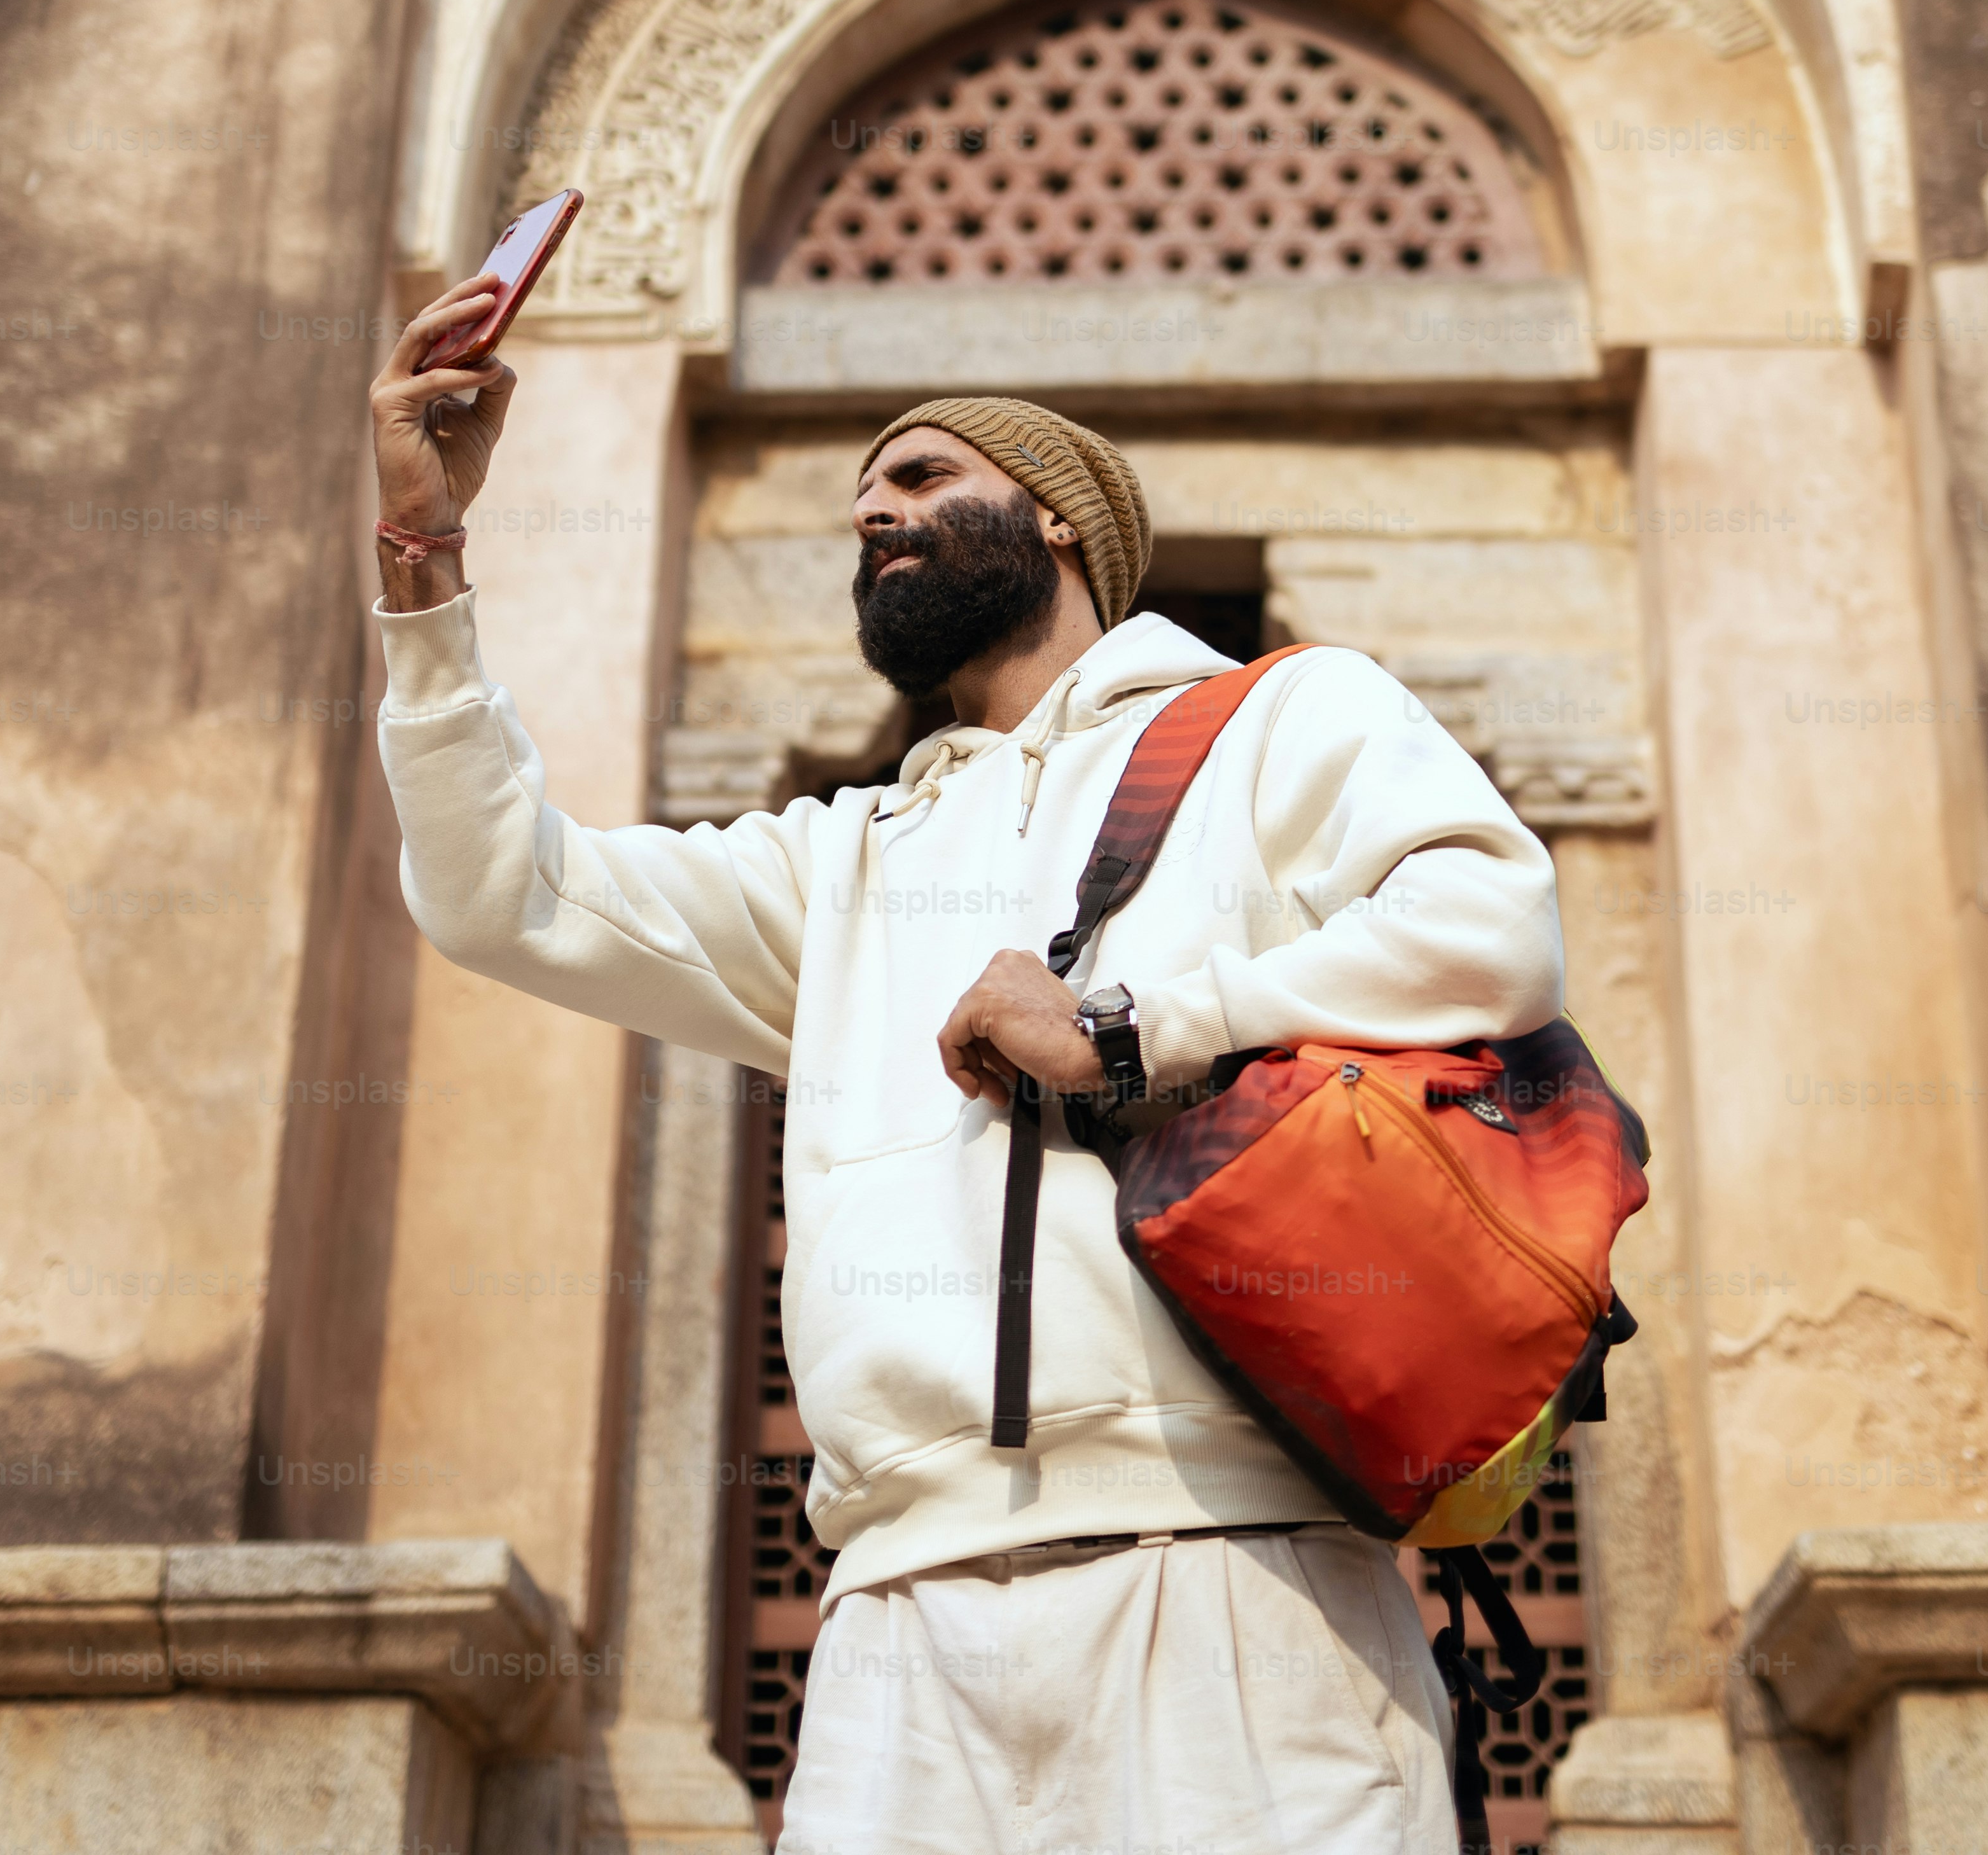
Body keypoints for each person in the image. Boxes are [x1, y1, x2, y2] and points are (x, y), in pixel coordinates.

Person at [365, 270, 1565, 1853]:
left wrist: (1142, 1022)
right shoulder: (847, 863)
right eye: (861, 495)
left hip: (1238, 1579)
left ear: (1060, 521)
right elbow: (503, 891)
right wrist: (423, 565)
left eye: (923, 476)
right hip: (899, 1630)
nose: (876, 509)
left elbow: (1494, 927)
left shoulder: (1284, 722)